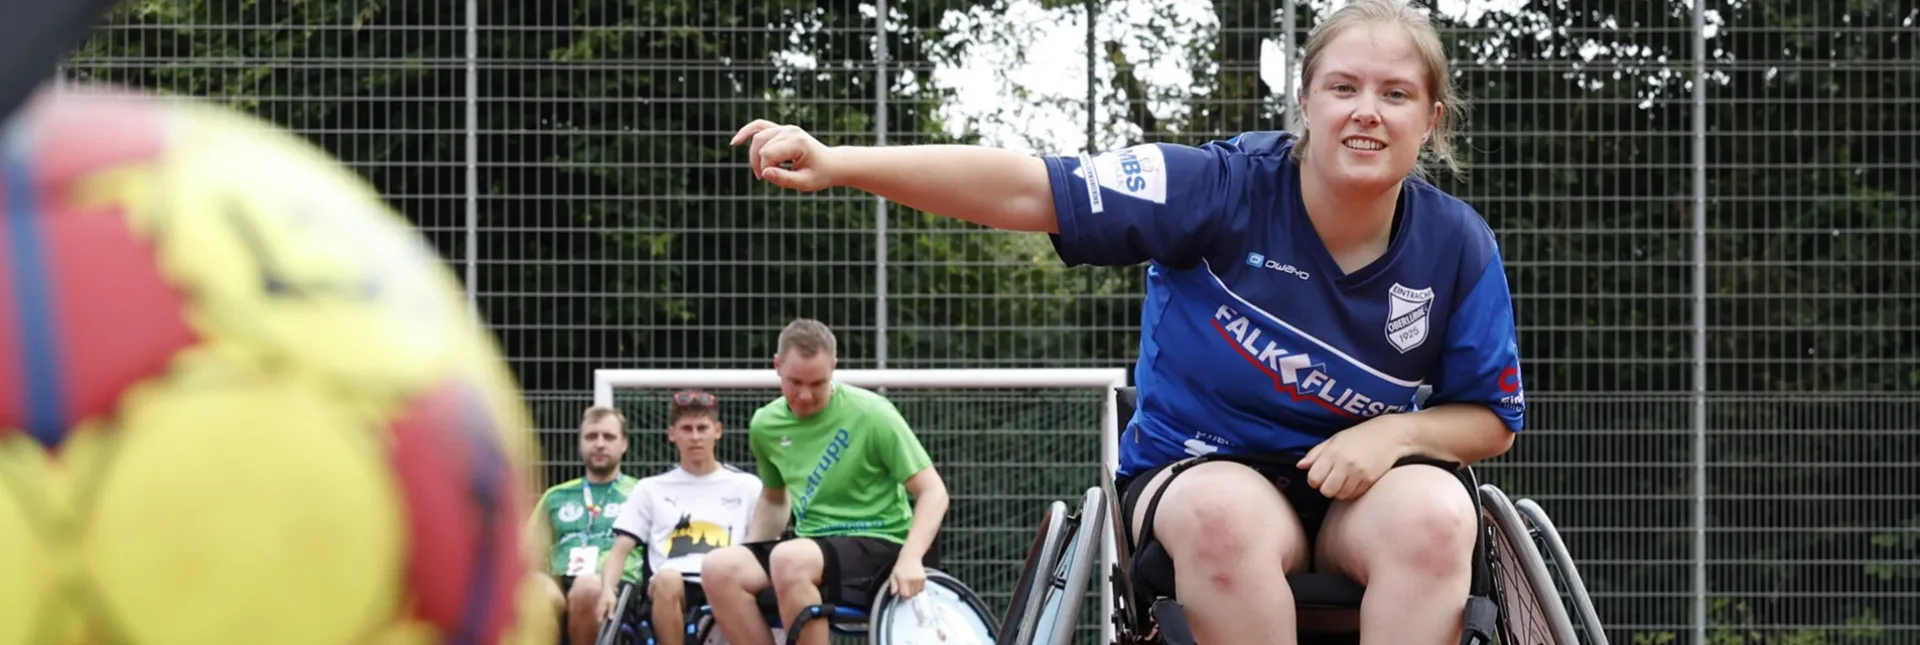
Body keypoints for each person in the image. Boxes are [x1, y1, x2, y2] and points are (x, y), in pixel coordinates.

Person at [725, 1, 1526, 643]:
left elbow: (1490, 419)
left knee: (1437, 513)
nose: (1366, 112)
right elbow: (1026, 187)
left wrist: (1390, 437)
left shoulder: (1457, 242)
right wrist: (841, 161)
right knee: (1224, 516)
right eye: (1343, 87)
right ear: (1305, 103)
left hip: (1371, 491)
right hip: (1204, 478)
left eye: (1395, 94)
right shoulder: (1215, 187)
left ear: (1431, 118)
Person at [698, 318, 952, 645]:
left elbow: (933, 491)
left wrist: (911, 557)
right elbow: (775, 499)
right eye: (795, 382)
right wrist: (752, 550)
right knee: (719, 568)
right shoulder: (765, 424)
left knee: (789, 559)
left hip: (880, 540)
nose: (804, 395)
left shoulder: (873, 413)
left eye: (817, 383)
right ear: (777, 366)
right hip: (814, 544)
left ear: (834, 367)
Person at [595, 390, 765, 645]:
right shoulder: (650, 488)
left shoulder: (748, 486)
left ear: (717, 431)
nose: (695, 437)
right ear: (672, 433)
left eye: (702, 428)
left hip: (729, 583)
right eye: (686, 428)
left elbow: (761, 548)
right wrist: (607, 589)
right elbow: (619, 551)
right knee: (667, 579)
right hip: (672, 585)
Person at [531, 406, 645, 645]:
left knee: (587, 587)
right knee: (536, 589)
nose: (600, 443)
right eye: (591, 436)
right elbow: (527, 553)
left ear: (624, 444)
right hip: (562, 581)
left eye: (609, 436)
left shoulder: (642, 493)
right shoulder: (556, 496)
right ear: (580, 443)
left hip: (616, 587)